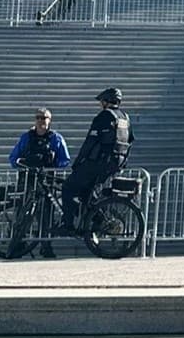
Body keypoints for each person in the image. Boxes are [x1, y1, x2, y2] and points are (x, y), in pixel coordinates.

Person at [60, 88, 132, 234]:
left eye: (101, 101)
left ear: (106, 101)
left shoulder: (104, 116)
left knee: (68, 187)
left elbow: (90, 141)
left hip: (98, 162)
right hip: (115, 163)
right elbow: (130, 141)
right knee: (87, 193)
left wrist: (78, 162)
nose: (100, 104)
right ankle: (95, 222)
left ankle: (68, 225)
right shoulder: (125, 117)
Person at [9, 107, 69, 259]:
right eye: (38, 117)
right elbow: (13, 158)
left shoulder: (56, 138)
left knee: (46, 215)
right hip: (27, 181)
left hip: (46, 182)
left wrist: (51, 165)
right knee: (23, 213)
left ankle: (46, 246)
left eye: (44, 118)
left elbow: (65, 160)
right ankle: (18, 244)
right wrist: (22, 164)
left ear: (50, 120)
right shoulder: (26, 137)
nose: (41, 120)